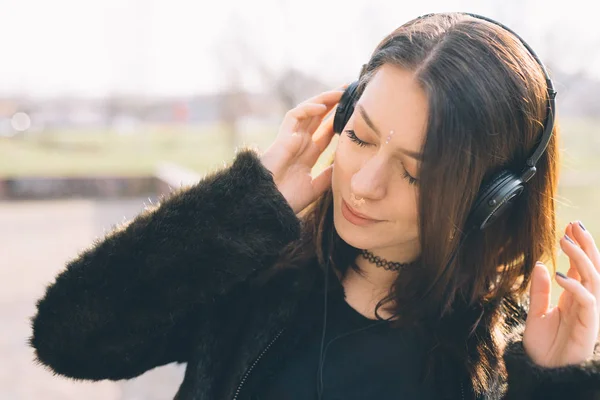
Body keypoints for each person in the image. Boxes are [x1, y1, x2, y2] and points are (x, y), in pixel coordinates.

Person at [30, 12, 600, 400]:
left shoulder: (517, 349)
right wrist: (241, 209)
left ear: (491, 198)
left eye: (414, 172)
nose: (366, 183)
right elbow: (71, 337)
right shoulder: (257, 267)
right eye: (360, 137)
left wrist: (552, 383)